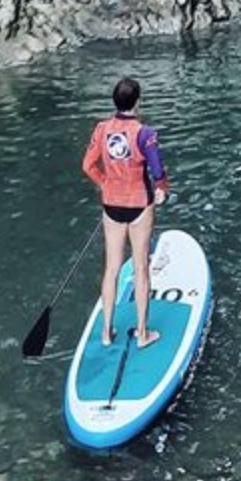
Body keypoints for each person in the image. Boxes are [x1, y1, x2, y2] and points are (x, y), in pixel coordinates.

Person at [81, 76, 168, 349]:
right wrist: (162, 189)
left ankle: (107, 332)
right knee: (141, 267)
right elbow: (157, 171)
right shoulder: (145, 133)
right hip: (139, 205)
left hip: (111, 205)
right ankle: (142, 334)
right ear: (138, 101)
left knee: (112, 268)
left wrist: (105, 183)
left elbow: (88, 165)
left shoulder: (101, 129)